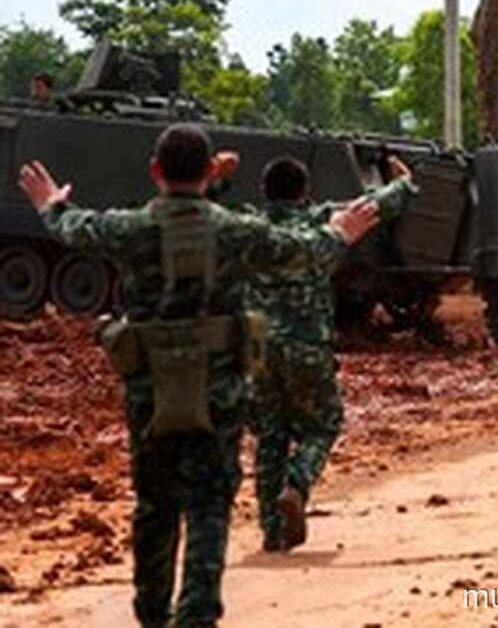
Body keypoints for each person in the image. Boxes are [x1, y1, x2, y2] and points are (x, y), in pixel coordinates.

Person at [17, 124, 383, 628]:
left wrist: (50, 203)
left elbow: (74, 226)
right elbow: (301, 250)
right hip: (220, 391)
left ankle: (152, 612)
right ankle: (197, 615)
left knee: (155, 503)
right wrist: (340, 231)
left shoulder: (132, 228)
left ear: (154, 171)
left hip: (152, 390)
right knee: (211, 503)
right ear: (211, 172)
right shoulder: (234, 230)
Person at [246, 154, 417, 552]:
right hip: (307, 344)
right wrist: (403, 184)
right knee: (323, 424)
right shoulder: (319, 221)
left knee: (271, 434)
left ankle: (273, 531)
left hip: (258, 350)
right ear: (305, 192)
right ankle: (298, 483)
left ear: (264, 192)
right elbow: (373, 207)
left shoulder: (249, 228)